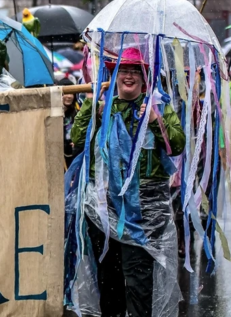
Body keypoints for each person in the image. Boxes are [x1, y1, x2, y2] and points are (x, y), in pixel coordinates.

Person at [71, 48, 185, 316]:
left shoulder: (159, 106)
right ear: (114, 74)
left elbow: (176, 146)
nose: (129, 75)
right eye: (124, 70)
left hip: (143, 211)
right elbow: (76, 139)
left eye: (136, 70)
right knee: (108, 280)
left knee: (138, 281)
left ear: (145, 78)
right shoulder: (102, 107)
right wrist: (91, 103)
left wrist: (156, 121)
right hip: (102, 208)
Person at [58, 78, 79, 169]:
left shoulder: (77, 112)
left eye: (71, 93)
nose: (69, 96)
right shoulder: (53, 113)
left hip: (73, 154)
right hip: (58, 154)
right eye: (66, 93)